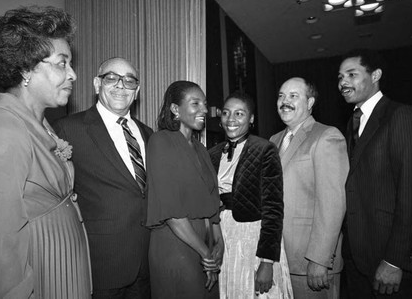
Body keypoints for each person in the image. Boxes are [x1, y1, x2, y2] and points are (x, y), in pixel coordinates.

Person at [0, 6, 91, 298]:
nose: (73, 74)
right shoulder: (1, 131)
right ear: (26, 69)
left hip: (62, 275)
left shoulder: (39, 124)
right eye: (61, 63)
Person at [53, 57, 152, 298]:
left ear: (136, 92)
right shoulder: (67, 129)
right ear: (97, 84)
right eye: (112, 78)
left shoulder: (149, 134)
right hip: (99, 265)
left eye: (129, 81)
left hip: (147, 263)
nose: (121, 86)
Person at [338, 48, 412, 298]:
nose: (343, 82)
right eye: (339, 77)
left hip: (388, 262)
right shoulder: (352, 123)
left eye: (351, 74)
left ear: (376, 74)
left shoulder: (401, 116)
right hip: (357, 260)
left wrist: (395, 261)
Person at [208, 92, 294, 298]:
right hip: (223, 235)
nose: (231, 120)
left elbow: (273, 208)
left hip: (253, 238)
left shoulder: (265, 149)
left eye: (239, 114)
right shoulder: (211, 154)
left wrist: (267, 262)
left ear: (251, 119)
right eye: (226, 113)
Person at [270, 77, 348, 299]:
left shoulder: (327, 136)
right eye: (281, 96)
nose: (285, 101)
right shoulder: (274, 140)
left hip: (310, 265)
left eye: (294, 96)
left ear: (310, 102)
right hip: (278, 258)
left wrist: (320, 259)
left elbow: (333, 205)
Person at [145, 80, 223, 299]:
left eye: (205, 104)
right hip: (177, 244)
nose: (205, 110)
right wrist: (206, 253)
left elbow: (212, 202)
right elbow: (172, 213)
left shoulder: (201, 148)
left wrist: (219, 243)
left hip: (205, 243)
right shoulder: (160, 142)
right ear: (175, 109)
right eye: (195, 103)